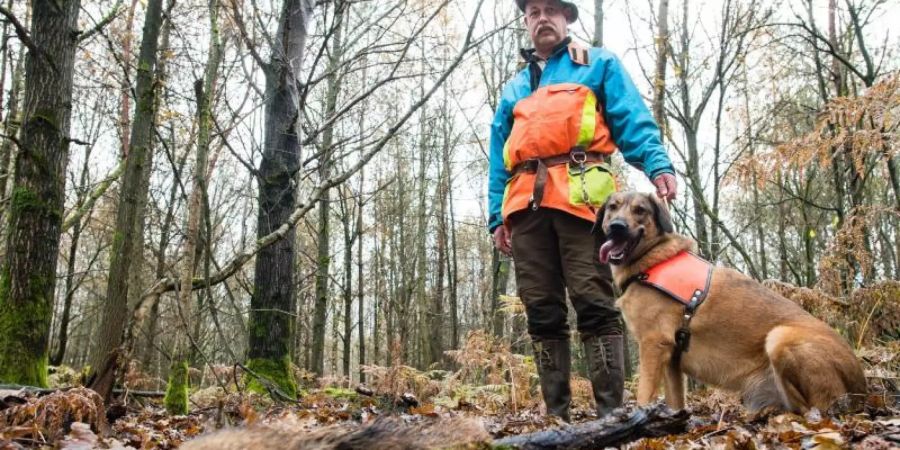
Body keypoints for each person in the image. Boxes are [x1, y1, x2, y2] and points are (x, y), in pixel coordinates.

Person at [487, 0, 678, 421]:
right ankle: (558, 418)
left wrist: (657, 164)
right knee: (540, 309)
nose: (542, 17)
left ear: (567, 18)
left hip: (584, 205)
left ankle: (612, 416)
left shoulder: (598, 63)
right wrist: (496, 217)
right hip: (525, 208)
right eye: (533, 11)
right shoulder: (515, 88)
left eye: (551, 9)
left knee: (594, 301)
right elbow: (498, 160)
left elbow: (633, 120)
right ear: (525, 21)